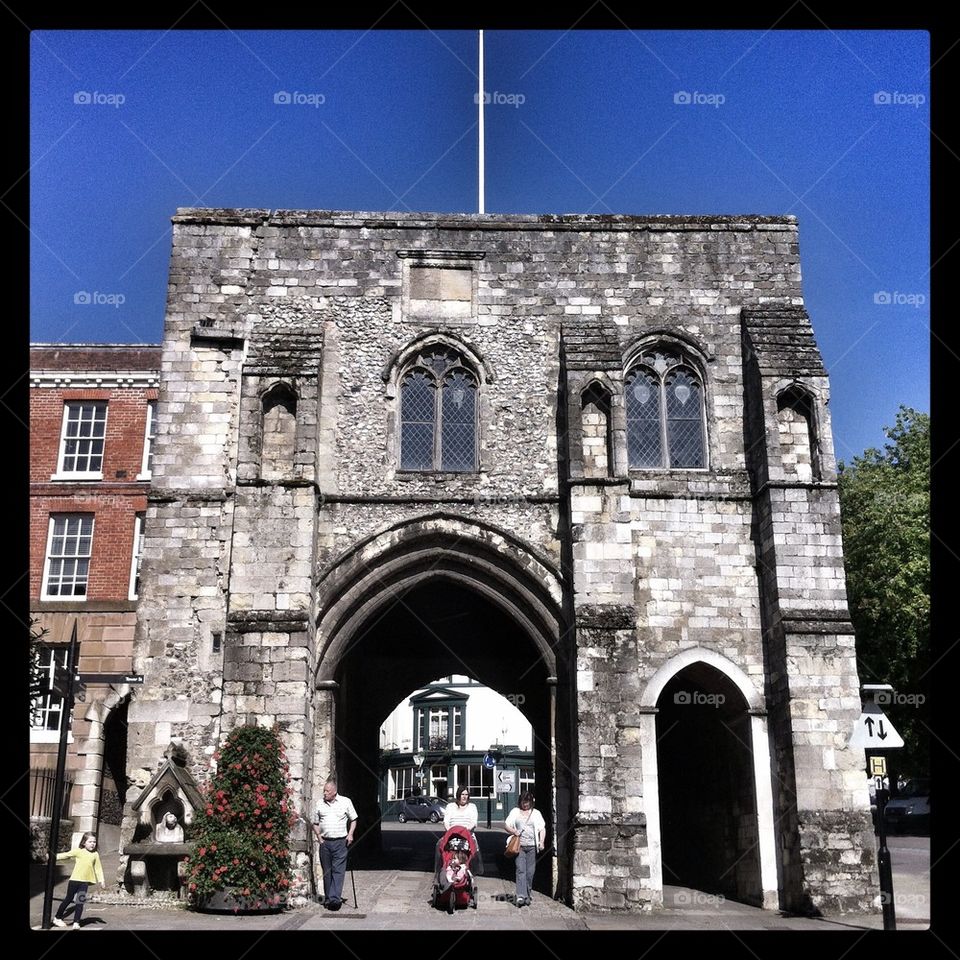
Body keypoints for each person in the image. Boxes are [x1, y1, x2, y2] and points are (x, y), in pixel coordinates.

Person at [312, 778, 357, 911]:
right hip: (325, 842)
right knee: (327, 872)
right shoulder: (319, 803)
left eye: (327, 791)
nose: (324, 793)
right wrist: (319, 837)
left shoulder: (345, 801)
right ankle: (328, 898)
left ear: (334, 791)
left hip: (340, 842)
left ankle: (335, 900)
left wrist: (350, 834)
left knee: (338, 871)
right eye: (324, 791)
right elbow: (315, 823)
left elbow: (354, 819)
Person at [53, 832, 105, 928]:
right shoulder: (79, 851)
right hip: (74, 881)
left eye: (94, 842)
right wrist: (53, 856)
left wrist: (101, 880)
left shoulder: (95, 854)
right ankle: (57, 918)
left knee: (80, 901)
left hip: (84, 883)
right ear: (84, 843)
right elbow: (66, 855)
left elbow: (98, 868)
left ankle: (76, 922)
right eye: (90, 842)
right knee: (68, 899)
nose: (92, 844)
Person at [504, 791, 545, 908]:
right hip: (519, 846)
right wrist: (514, 831)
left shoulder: (536, 813)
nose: (525, 805)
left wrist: (541, 841)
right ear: (520, 801)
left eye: (527, 802)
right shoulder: (515, 812)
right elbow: (506, 825)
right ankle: (521, 896)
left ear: (531, 802)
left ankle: (528, 893)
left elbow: (542, 828)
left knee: (530, 872)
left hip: (532, 846)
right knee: (520, 870)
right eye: (523, 802)